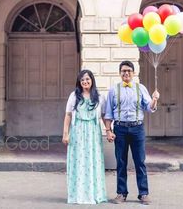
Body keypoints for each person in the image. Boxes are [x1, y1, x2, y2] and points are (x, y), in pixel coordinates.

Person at [104, 60, 159, 206]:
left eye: (129, 70)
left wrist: (154, 100)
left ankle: (143, 193)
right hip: (120, 129)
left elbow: (149, 108)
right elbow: (108, 113)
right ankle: (121, 193)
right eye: (123, 71)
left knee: (140, 161)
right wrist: (108, 131)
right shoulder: (113, 90)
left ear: (133, 73)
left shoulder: (140, 88)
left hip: (137, 129)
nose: (126, 73)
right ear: (120, 73)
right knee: (120, 162)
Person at [62, 69, 107, 204]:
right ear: (79, 82)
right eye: (82, 80)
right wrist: (66, 134)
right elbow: (68, 115)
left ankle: (94, 194)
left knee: (93, 161)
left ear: (92, 80)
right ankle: (78, 194)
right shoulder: (74, 96)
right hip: (77, 132)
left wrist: (109, 131)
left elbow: (104, 116)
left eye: (87, 79)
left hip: (93, 133)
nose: (85, 82)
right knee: (78, 161)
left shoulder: (99, 97)